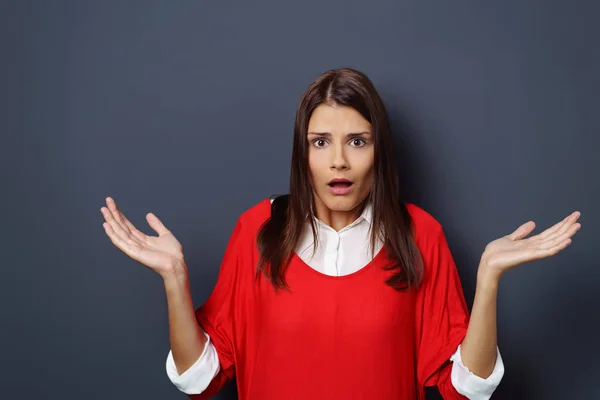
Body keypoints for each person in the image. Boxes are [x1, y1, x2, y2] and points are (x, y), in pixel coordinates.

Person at [101, 68, 582, 399]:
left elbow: (466, 388)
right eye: (320, 142)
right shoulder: (258, 230)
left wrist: (490, 277)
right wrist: (174, 279)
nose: (338, 161)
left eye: (357, 141)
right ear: (302, 153)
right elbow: (200, 382)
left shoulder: (420, 235)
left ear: (379, 151)